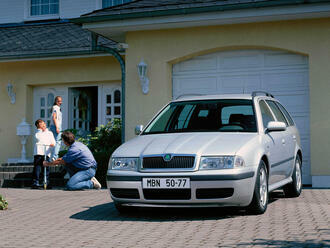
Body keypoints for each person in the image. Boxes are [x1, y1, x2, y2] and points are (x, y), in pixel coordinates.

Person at [32, 119, 55, 189]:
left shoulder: (49, 133)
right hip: (38, 152)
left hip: (46, 152)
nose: (43, 125)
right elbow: (38, 139)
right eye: (41, 124)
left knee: (46, 168)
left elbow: (53, 142)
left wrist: (52, 144)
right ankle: (35, 182)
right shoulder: (37, 133)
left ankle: (46, 182)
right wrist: (41, 130)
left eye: (44, 123)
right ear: (38, 126)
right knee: (37, 168)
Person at [50, 96, 62, 161]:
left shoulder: (56, 108)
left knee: (53, 142)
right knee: (58, 142)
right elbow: (54, 118)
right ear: (56, 101)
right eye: (59, 101)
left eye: (61, 101)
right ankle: (55, 157)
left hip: (53, 126)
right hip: (55, 126)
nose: (60, 102)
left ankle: (51, 157)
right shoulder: (56, 108)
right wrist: (57, 127)